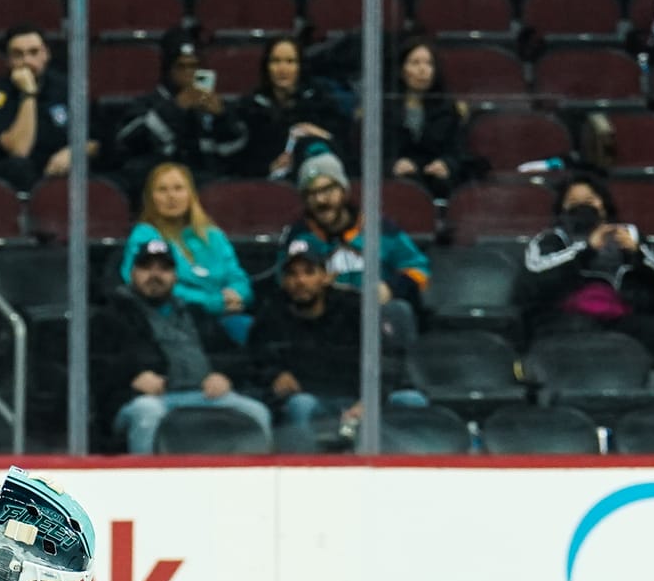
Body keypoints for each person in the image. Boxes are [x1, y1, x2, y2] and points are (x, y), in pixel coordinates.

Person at [90, 237, 271, 454]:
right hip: (145, 400)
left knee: (257, 412)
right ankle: (143, 480)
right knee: (147, 413)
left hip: (204, 396)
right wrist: (131, 377)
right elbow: (94, 366)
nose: (155, 275)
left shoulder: (196, 313)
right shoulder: (111, 315)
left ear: (175, 276)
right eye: (146, 267)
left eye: (164, 269)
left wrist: (223, 375)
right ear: (132, 273)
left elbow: (237, 356)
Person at [249, 238, 428, 450]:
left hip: (364, 396)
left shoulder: (355, 308)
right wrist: (275, 375)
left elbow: (389, 360)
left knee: (411, 400)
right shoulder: (271, 314)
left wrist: (371, 399)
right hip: (315, 400)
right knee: (300, 405)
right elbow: (255, 360)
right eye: (292, 274)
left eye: (309, 272)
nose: (300, 281)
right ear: (283, 281)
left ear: (326, 277)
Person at [287, 152, 433, 347]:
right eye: (310, 194)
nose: (320, 200)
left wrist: (391, 288)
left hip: (376, 321)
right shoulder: (299, 236)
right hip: (322, 326)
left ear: (344, 191)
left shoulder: (380, 229)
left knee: (399, 311)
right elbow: (286, 281)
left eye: (327, 190)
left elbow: (418, 269)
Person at [520, 170, 654, 352]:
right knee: (574, 328)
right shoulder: (550, 240)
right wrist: (587, 249)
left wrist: (637, 253)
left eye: (590, 202)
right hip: (567, 318)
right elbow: (535, 275)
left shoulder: (629, 234)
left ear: (605, 206)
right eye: (575, 204)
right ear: (562, 210)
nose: (584, 208)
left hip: (623, 315)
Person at [120, 161, 255, 344]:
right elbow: (143, 283)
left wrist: (239, 294)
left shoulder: (213, 235)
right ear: (150, 198)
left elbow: (237, 277)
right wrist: (213, 302)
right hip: (172, 321)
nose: (171, 197)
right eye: (162, 190)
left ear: (191, 194)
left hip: (224, 317)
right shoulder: (144, 235)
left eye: (178, 188)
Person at [114, 27, 248, 194]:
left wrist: (222, 118)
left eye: (193, 66)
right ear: (167, 69)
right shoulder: (147, 104)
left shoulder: (213, 106)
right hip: (160, 189)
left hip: (207, 189)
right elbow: (126, 143)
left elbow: (236, 154)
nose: (188, 73)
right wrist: (176, 108)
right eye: (181, 67)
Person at [0, 27, 93, 191]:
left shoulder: (66, 88)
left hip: (60, 168)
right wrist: (28, 94)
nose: (27, 61)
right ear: (8, 60)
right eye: (18, 54)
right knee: (19, 167)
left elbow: (95, 139)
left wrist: (74, 152)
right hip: (15, 178)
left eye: (34, 52)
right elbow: (20, 150)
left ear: (46, 54)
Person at [232, 35, 348, 180]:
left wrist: (322, 135)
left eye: (290, 61)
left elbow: (344, 148)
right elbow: (239, 161)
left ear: (300, 66)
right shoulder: (250, 107)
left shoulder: (319, 101)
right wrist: (268, 168)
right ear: (266, 66)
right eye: (276, 61)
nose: (282, 69)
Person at [383, 37, 471, 197]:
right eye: (415, 63)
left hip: (436, 180)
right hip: (397, 180)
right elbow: (371, 152)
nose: (423, 69)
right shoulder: (385, 108)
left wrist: (446, 164)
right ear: (402, 70)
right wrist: (390, 165)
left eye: (429, 63)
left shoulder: (448, 109)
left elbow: (457, 150)